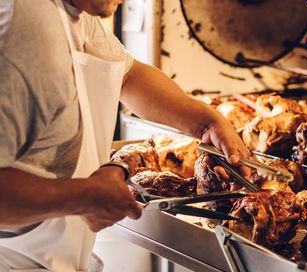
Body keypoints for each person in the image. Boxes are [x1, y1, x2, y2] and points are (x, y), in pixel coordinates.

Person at [0, 0, 250, 271]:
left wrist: (206, 122)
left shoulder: (75, 13)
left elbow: (129, 75)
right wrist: (81, 196)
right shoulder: (25, 31)